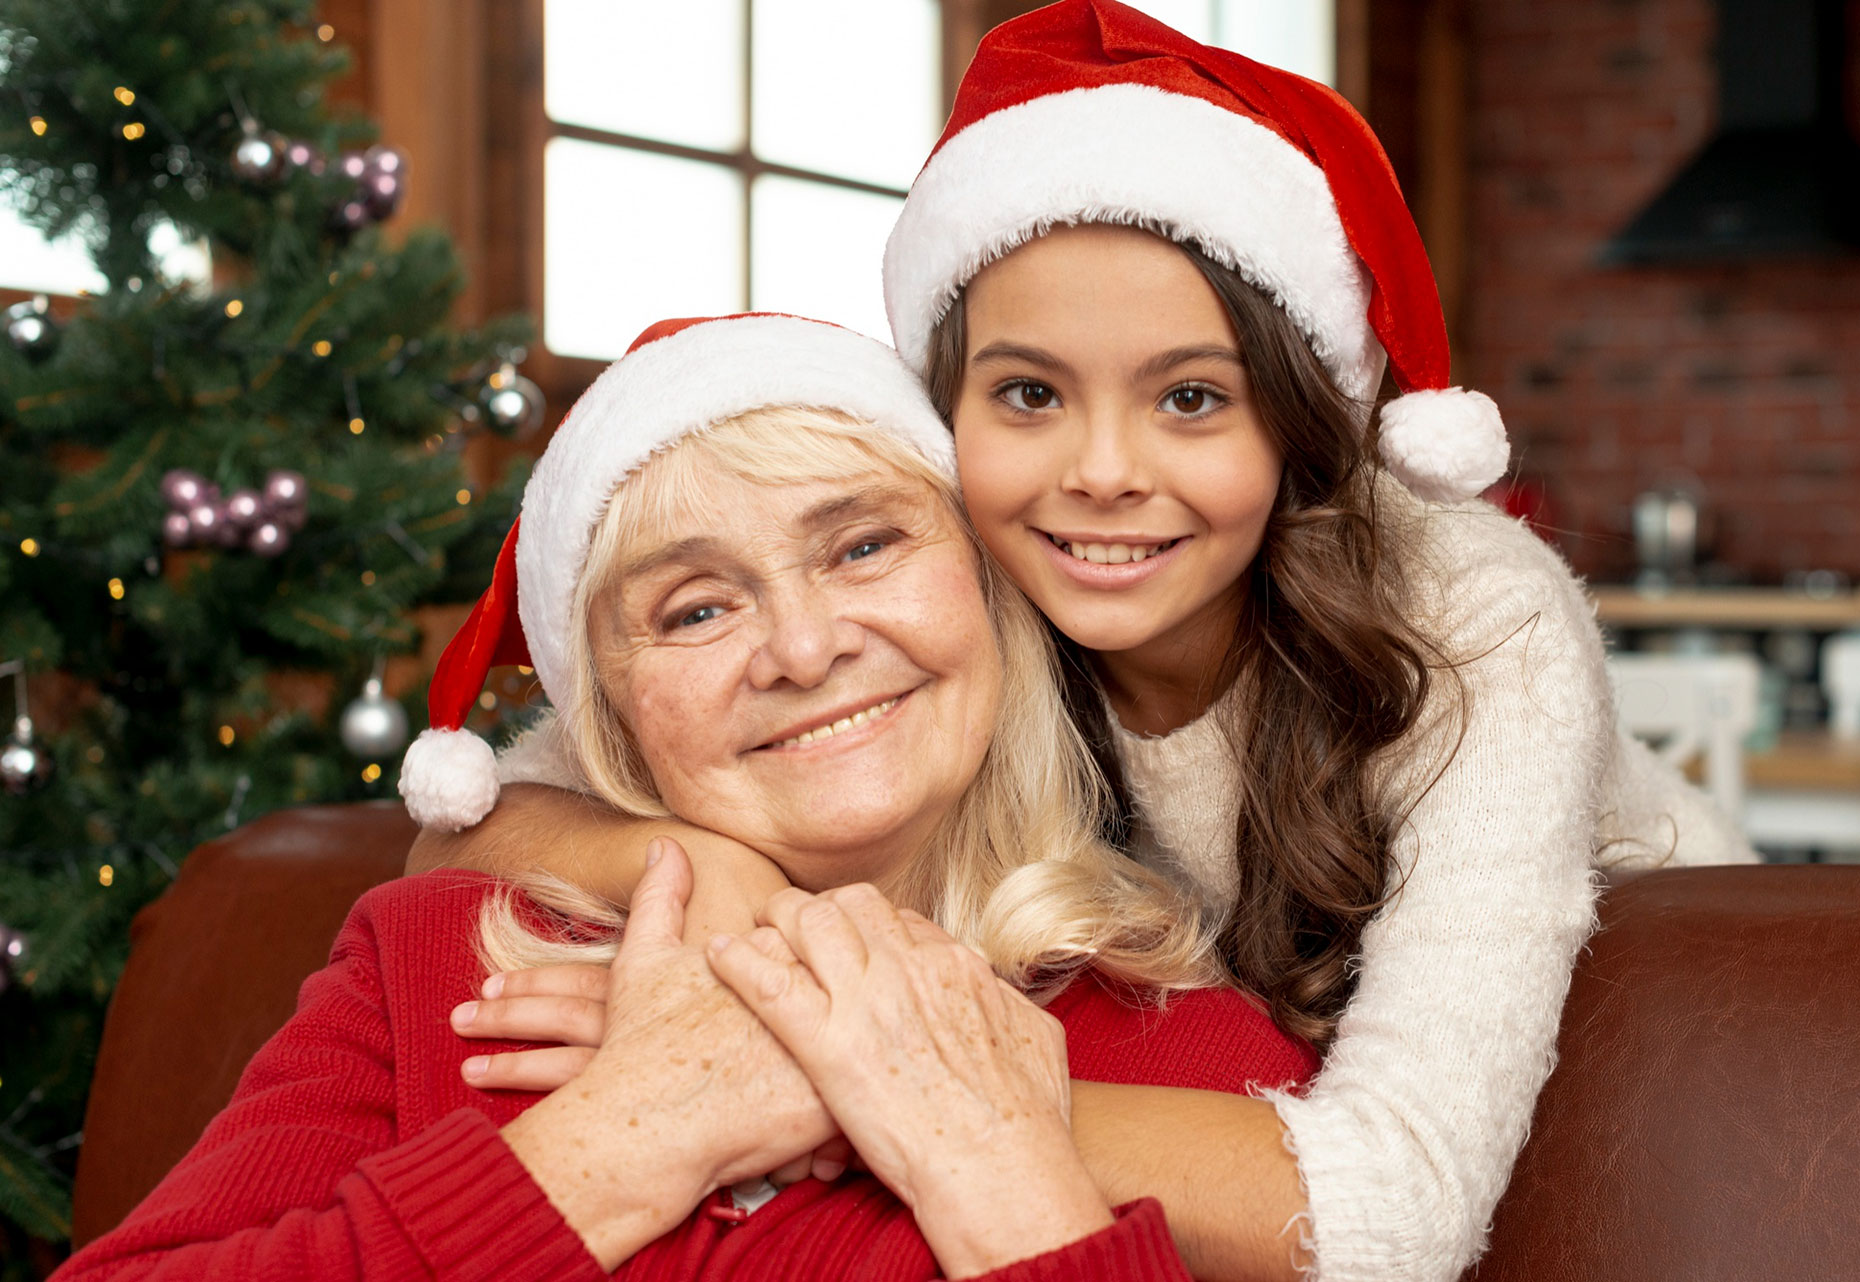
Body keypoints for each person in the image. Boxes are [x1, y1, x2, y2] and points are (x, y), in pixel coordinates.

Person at [415, 5, 1758, 1281]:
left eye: (1189, 396)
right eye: (1029, 394)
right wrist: (708, 873)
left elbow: (1392, 1207)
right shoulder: (961, 579)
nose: (1102, 473)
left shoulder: (1469, 623)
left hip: (1662, 1058)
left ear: (1297, 428)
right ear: (947, 420)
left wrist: (851, 1067)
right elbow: (475, 822)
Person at [54, 313, 1319, 1282]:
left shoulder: (1200, 1068)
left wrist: (991, 1158)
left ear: (991, 591)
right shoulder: (440, 969)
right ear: (612, 709)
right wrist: (631, 1135)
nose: (804, 648)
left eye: (865, 543)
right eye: (695, 608)